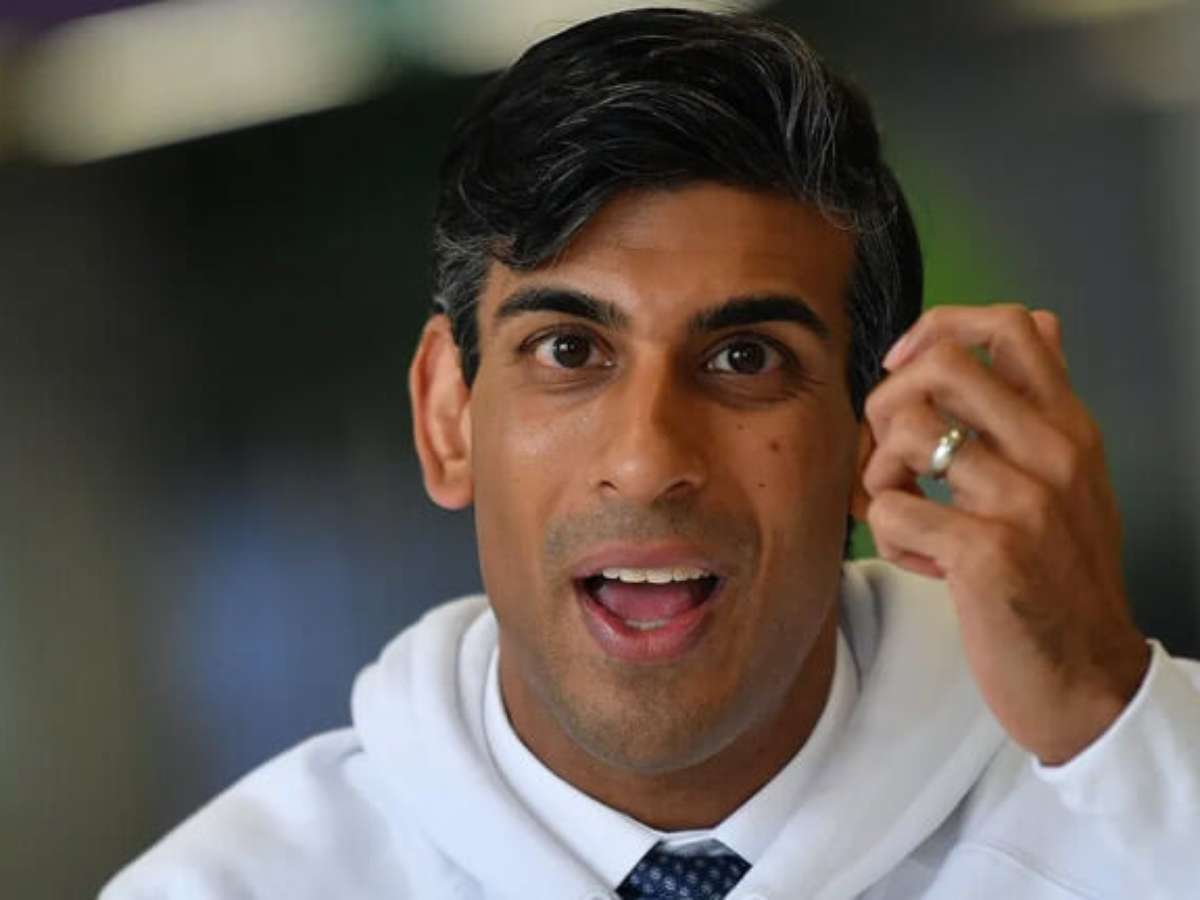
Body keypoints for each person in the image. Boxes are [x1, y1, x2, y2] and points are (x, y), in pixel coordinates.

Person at [103, 8, 1199, 899]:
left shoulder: (1141, 796)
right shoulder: (227, 889)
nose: (646, 460)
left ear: (875, 431)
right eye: (568, 349)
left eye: (744, 358)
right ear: (446, 416)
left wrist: (1113, 723)